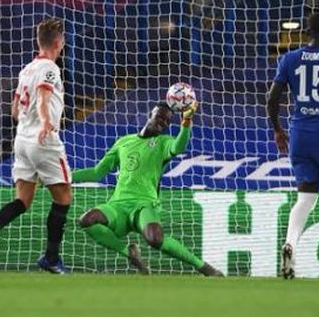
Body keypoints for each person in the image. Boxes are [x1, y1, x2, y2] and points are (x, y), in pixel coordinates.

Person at [73, 102, 222, 276]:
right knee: (87, 220)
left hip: (144, 205)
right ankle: (128, 252)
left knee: (155, 239)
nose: (163, 123)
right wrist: (65, 177)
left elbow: (178, 147)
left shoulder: (163, 142)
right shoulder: (124, 142)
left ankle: (204, 267)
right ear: (151, 114)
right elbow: (97, 172)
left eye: (167, 121)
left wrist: (186, 122)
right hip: (117, 206)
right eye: (160, 117)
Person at [0, 18, 72, 274]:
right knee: (63, 198)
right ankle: (50, 257)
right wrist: (48, 121)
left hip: (22, 140)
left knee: (23, 200)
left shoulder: (26, 69)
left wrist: (33, 118)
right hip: (43, 140)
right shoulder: (50, 68)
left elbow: (15, 110)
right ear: (59, 42)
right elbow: (44, 95)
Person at [267, 13, 319, 279]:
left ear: (306, 32)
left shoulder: (289, 58)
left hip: (299, 133)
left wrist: (278, 129)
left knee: (305, 198)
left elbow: (272, 99)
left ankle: (290, 243)